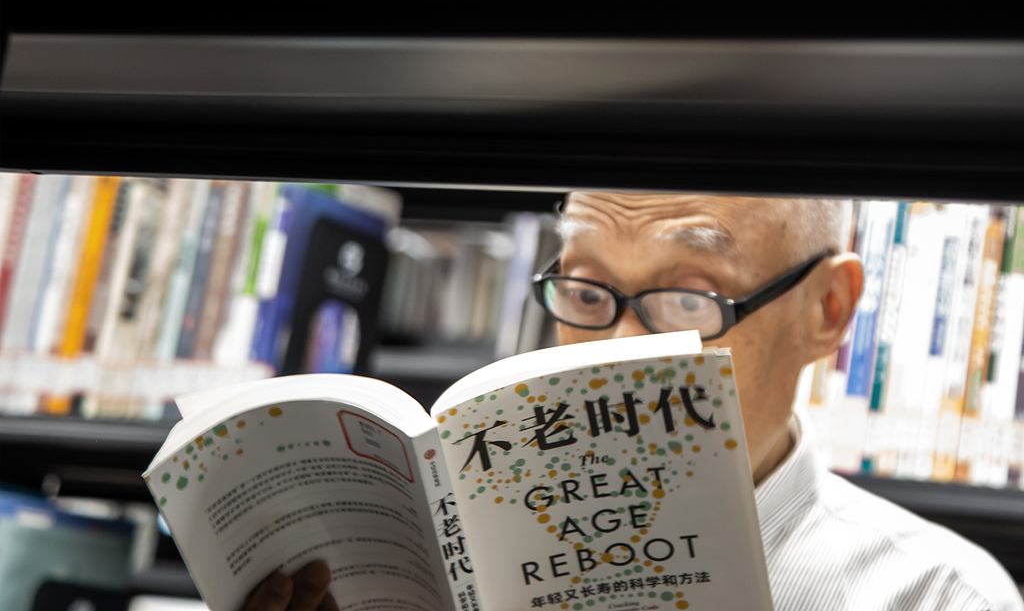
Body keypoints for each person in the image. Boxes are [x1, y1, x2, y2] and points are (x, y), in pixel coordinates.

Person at [245, 192, 1023, 611]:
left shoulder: (937, 596)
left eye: (688, 300)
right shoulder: (461, 559)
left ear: (829, 309)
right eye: (587, 292)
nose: (616, 350)